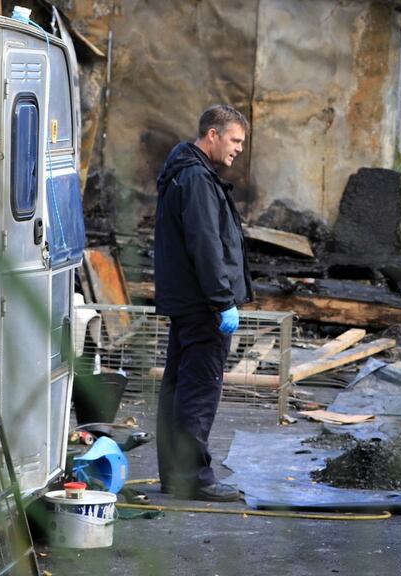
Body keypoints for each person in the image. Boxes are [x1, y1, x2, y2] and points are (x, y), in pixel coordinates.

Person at [154, 104, 253, 502]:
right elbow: (206, 244)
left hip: (187, 303)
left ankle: (175, 477)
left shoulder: (185, 172)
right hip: (202, 306)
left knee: (178, 388)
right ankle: (194, 479)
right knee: (198, 390)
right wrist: (222, 300)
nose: (239, 149)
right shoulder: (195, 179)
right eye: (235, 140)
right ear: (212, 135)